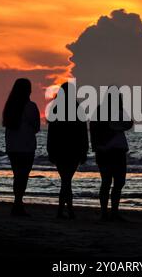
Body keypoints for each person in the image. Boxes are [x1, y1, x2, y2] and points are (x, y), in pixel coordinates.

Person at [90, 88, 133, 222]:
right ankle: (107, 212)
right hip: (108, 151)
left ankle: (112, 212)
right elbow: (94, 129)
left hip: (113, 151)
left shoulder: (117, 112)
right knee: (110, 182)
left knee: (115, 182)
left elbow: (128, 124)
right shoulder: (102, 111)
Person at [47, 82, 89, 219]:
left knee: (66, 180)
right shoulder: (77, 108)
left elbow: (51, 133)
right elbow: (83, 132)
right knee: (67, 180)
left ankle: (63, 210)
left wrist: (50, 150)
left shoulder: (56, 108)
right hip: (73, 150)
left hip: (60, 150)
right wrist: (85, 150)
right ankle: (67, 210)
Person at [3, 79, 40, 216]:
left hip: (12, 146)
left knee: (17, 175)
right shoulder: (30, 106)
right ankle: (18, 203)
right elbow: (36, 127)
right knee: (23, 176)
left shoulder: (9, 107)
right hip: (26, 146)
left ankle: (17, 203)